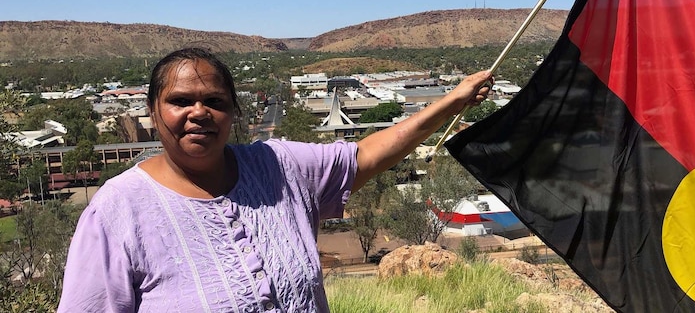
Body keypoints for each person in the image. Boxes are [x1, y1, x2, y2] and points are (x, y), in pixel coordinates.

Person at [58, 47, 492, 312]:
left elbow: (367, 154)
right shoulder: (117, 211)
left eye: (214, 101)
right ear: (153, 112)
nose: (199, 112)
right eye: (180, 100)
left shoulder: (279, 166)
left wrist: (450, 102)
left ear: (233, 112)